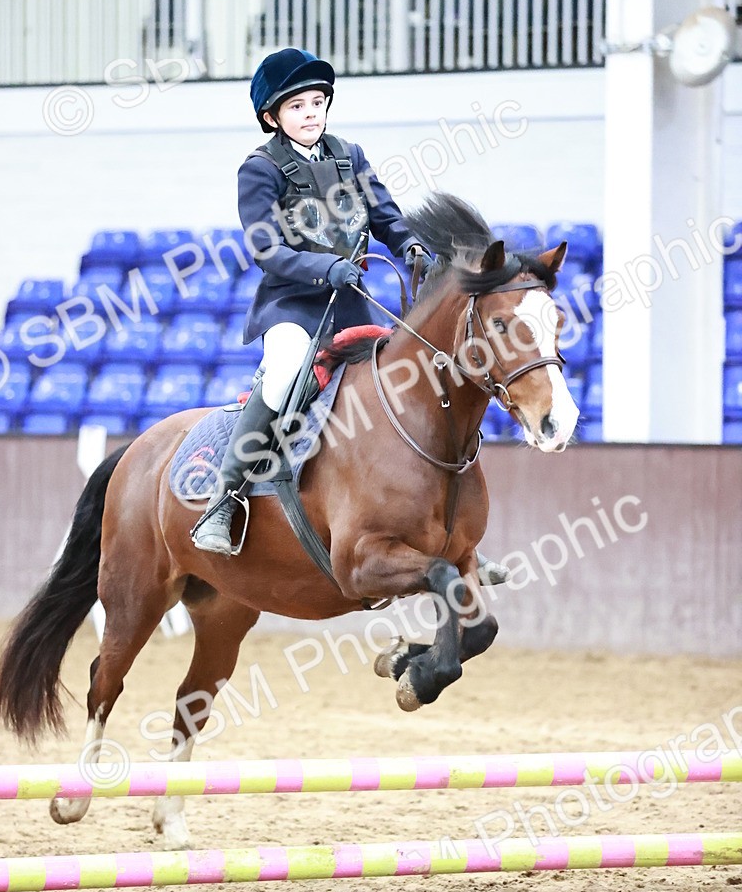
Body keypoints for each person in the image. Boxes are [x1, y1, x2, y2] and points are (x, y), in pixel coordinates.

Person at [191, 47, 508, 586]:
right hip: (293, 304)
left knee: (419, 375)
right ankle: (226, 497)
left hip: (352, 303)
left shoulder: (349, 156)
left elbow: (386, 216)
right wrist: (325, 268)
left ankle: (455, 539)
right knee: (286, 374)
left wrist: (409, 246)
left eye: (318, 102)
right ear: (273, 116)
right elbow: (267, 249)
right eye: (297, 106)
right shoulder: (260, 170)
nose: (311, 112)